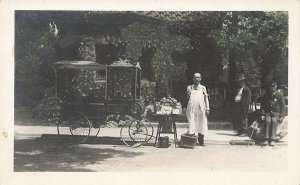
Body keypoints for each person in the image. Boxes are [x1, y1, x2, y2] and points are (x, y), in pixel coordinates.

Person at [186, 73, 210, 146]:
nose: (196, 79)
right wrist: (188, 93)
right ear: (193, 79)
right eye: (195, 77)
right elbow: (188, 98)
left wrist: (208, 108)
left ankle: (201, 141)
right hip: (192, 108)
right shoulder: (189, 87)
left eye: (198, 77)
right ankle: (192, 141)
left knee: (201, 123)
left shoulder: (203, 88)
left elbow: (206, 99)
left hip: (201, 108)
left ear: (200, 78)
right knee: (192, 123)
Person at [261, 82, 286, 146]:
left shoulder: (280, 95)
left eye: (273, 86)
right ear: (269, 87)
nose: (272, 88)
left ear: (276, 86)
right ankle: (266, 138)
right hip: (268, 113)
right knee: (267, 121)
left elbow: (283, 106)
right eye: (271, 86)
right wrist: (263, 114)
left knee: (274, 121)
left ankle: (272, 139)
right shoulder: (266, 95)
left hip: (276, 113)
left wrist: (282, 116)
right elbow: (263, 106)